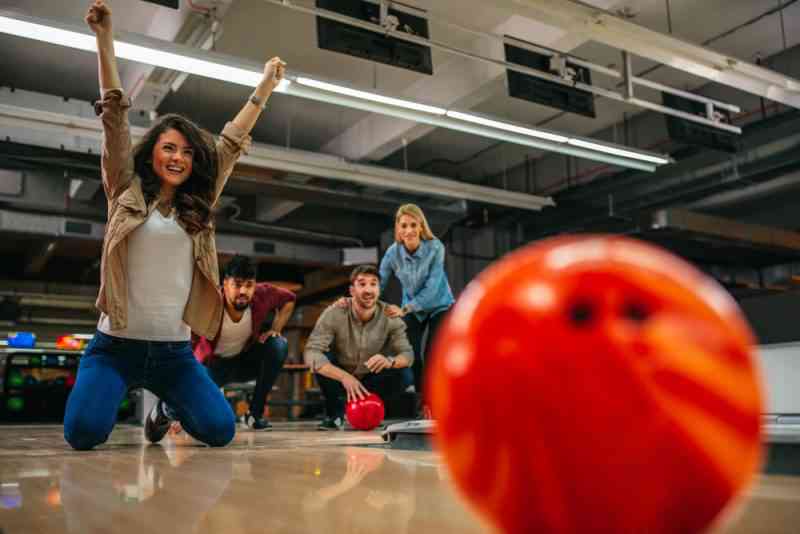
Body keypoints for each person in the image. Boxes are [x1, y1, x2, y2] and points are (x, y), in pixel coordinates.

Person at [63, 0, 286, 450]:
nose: (179, 158)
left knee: (220, 432)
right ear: (152, 154)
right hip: (115, 347)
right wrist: (104, 38)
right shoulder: (124, 190)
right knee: (84, 434)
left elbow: (230, 143)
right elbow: (115, 116)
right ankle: (116, 395)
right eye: (169, 148)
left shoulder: (199, 204)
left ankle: (164, 408)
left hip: (173, 353)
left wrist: (264, 87)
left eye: (186, 152)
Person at [146, 255, 295, 439]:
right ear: (225, 284)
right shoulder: (209, 303)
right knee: (191, 410)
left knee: (278, 345)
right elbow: (186, 345)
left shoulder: (262, 294)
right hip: (211, 367)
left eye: (249, 285)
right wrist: (183, 395)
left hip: (243, 361)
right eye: (237, 284)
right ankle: (163, 409)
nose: (243, 291)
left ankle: (254, 414)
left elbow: (289, 299)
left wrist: (275, 329)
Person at [337, 204, 453, 416]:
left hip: (439, 305)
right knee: (412, 355)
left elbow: (433, 286)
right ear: (398, 229)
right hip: (412, 311)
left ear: (420, 227)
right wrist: (358, 300)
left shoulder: (435, 247)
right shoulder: (393, 253)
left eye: (413, 225)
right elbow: (378, 282)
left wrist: (406, 308)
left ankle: (438, 400)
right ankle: (424, 404)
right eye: (403, 226)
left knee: (433, 353)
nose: (408, 230)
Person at [305, 265, 414, 430]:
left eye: (373, 284)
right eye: (362, 284)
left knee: (404, 374)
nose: (368, 289)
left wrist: (389, 361)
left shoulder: (390, 315)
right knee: (322, 358)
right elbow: (311, 352)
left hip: (371, 379)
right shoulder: (335, 312)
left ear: (379, 288)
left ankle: (372, 408)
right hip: (340, 380)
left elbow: (407, 354)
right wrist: (343, 377)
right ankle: (335, 414)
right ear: (352, 290)